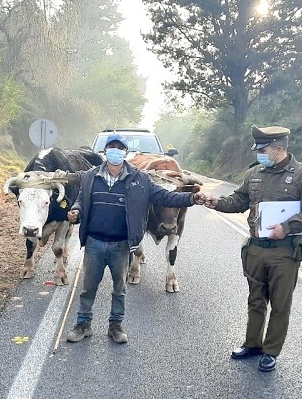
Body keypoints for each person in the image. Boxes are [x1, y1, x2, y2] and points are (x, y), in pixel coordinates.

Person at [202, 125, 302, 371]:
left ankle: (270, 351)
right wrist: (217, 203)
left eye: (264, 149)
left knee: (280, 303)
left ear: (279, 149)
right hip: (256, 248)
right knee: (255, 299)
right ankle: (252, 344)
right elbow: (239, 200)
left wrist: (288, 226)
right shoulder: (255, 173)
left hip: (284, 251)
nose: (259, 154)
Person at [65, 133, 207, 344]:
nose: (115, 152)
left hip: (122, 243)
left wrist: (191, 198)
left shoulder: (140, 179)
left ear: (125, 153)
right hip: (94, 242)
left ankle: (116, 326)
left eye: (119, 149)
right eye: (111, 148)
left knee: (119, 289)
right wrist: (76, 210)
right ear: (105, 152)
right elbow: (80, 200)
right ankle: (83, 324)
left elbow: (165, 196)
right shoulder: (90, 177)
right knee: (89, 288)